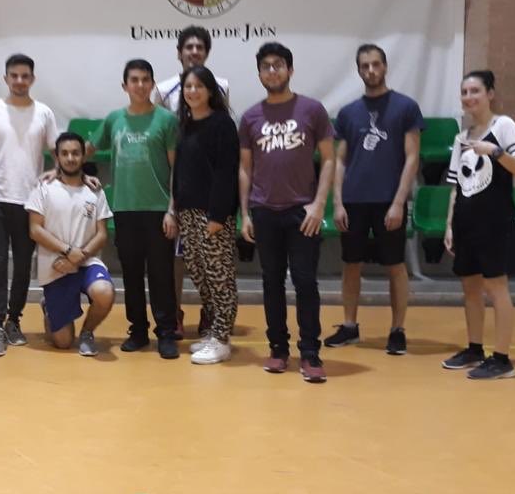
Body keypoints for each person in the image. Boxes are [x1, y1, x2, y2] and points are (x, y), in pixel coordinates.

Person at [239, 42, 334, 383]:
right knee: (271, 283)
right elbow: (246, 169)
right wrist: (246, 213)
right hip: (264, 211)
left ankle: (310, 353)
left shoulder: (312, 110)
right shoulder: (250, 117)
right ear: (260, 73)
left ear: (290, 70)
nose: (272, 71)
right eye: (266, 66)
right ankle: (278, 349)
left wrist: (319, 203)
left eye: (278, 65)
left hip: (301, 211)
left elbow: (329, 160)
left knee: (306, 282)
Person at [327, 44, 424, 355]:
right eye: (364, 66)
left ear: (385, 66)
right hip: (354, 200)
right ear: (358, 70)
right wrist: (338, 202)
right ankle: (350, 326)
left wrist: (398, 202)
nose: (370, 70)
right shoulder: (348, 113)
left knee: (395, 265)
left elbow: (412, 159)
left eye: (375, 65)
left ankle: (397, 330)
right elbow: (340, 161)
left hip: (388, 200)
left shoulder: (406, 107)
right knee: (351, 264)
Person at [442, 70, 515, 379]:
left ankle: (502, 359)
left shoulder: (504, 126)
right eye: (464, 92)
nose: (468, 97)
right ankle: (475, 348)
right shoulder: (460, 137)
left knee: (496, 287)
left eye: (475, 91)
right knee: (470, 287)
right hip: (467, 223)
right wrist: (450, 225)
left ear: (490, 93)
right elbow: (456, 186)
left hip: (496, 221)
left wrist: (495, 151)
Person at [89, 59, 179, 359]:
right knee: (131, 274)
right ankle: (138, 331)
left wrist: (172, 210)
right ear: (124, 85)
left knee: (161, 275)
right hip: (125, 210)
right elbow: (83, 150)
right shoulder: (114, 119)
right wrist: (61, 170)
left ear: (152, 84)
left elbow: (176, 169)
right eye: (134, 80)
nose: (140, 85)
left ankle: (166, 333)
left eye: (145, 80)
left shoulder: (166, 120)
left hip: (158, 210)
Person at [0, 54, 59, 356]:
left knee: (24, 265)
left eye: (25, 76)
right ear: (6, 78)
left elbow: (57, 150)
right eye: (14, 75)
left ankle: (14, 320)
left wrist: (57, 171)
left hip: (30, 202)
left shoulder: (44, 113)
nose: (20, 81)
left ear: (32, 79)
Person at [152, 26, 231, 338]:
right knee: (179, 256)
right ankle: (175, 312)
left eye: (200, 47)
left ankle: (212, 313)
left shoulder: (221, 86)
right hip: (178, 182)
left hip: (207, 188)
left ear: (207, 52)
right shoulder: (164, 88)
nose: (194, 52)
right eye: (189, 47)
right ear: (179, 51)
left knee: (209, 259)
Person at [173, 66, 240, 365]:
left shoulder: (222, 124)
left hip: (213, 215)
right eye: (188, 86)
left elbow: (227, 174)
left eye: (199, 86)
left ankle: (223, 339)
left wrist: (218, 215)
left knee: (220, 277)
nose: (192, 91)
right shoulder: (185, 125)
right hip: (187, 214)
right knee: (201, 276)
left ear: (211, 91)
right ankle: (213, 331)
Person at [26, 132, 115, 356]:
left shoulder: (94, 190)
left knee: (104, 292)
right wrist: (67, 252)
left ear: (84, 156)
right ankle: (49, 306)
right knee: (63, 342)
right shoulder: (44, 188)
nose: (70, 158)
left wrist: (80, 255)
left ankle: (87, 332)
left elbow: (102, 234)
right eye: (64, 153)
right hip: (56, 266)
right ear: (56, 156)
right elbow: (35, 229)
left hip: (86, 261)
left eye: (76, 153)